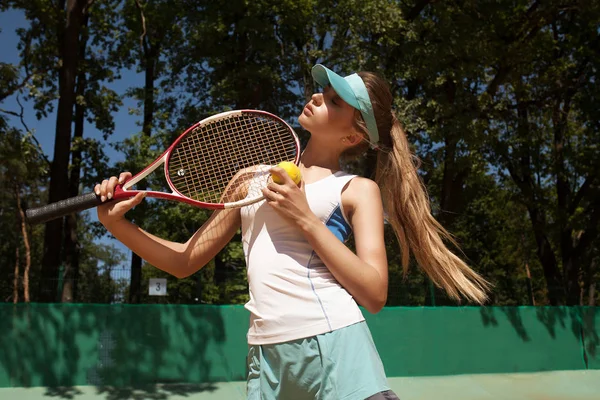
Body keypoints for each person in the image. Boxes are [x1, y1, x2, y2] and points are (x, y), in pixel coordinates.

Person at [95, 64, 489, 399]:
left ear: (353, 137)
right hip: (265, 356)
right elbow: (183, 261)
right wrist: (116, 224)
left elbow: (374, 293)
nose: (318, 98)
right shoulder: (249, 179)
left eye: (334, 101)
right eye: (323, 92)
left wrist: (304, 217)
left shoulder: (355, 189)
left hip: (335, 343)